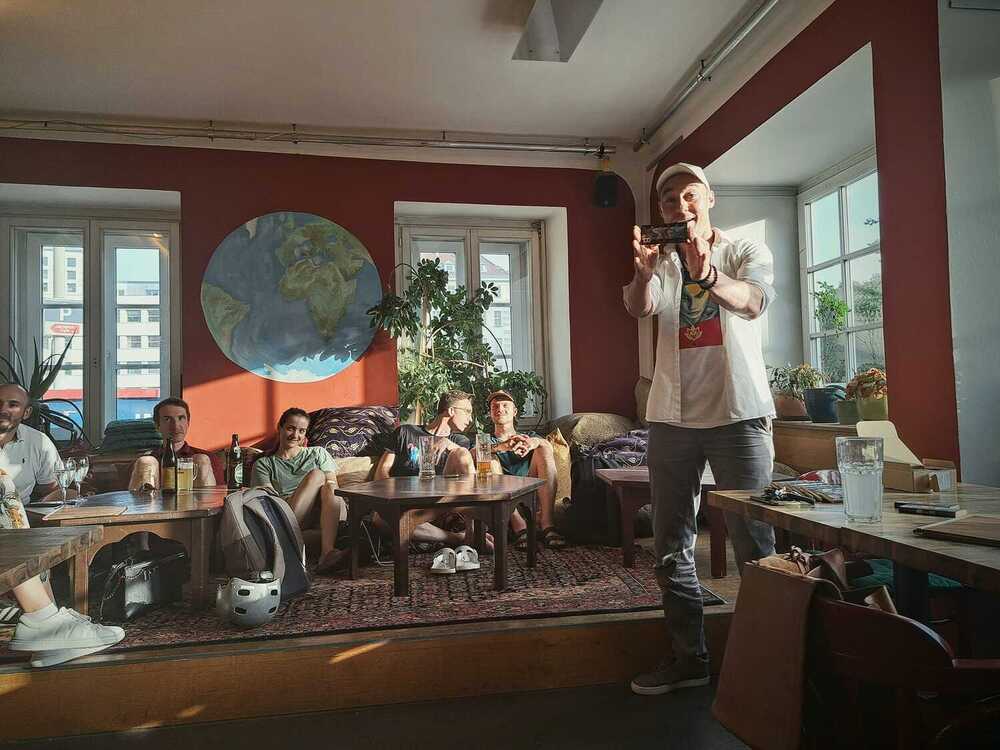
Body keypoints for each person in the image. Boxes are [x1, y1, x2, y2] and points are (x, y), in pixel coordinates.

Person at [623, 163, 777, 695]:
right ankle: (690, 659)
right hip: (672, 417)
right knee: (670, 545)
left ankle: (771, 668)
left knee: (756, 545)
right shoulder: (663, 262)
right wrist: (644, 274)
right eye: (669, 199)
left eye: (689, 195)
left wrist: (707, 273)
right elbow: (638, 307)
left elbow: (753, 302)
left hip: (740, 417)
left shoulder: (745, 250)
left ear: (709, 198)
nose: (680, 205)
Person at [0, 383, 125, 667]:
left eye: (12, 404)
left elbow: (52, 489)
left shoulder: (36, 441)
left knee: (18, 518)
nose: (3, 410)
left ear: (26, 412)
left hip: (18, 521)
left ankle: (48, 630)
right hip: (11, 519)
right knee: (5, 489)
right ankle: (43, 619)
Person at [373, 390, 485, 550]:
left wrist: (450, 445)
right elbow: (383, 469)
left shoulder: (460, 441)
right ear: (451, 411)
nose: (470, 419)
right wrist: (391, 496)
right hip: (406, 502)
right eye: (467, 411)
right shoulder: (405, 432)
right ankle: (457, 538)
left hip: (439, 505)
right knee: (380, 519)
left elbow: (468, 462)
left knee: (462, 453)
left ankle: (474, 530)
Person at [250, 408, 346, 574]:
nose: (295, 435)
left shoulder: (317, 453)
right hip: (289, 518)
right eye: (290, 428)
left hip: (324, 517)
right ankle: (326, 551)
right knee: (317, 474)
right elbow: (270, 500)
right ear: (279, 428)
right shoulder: (264, 464)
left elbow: (333, 486)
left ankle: (327, 551)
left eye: (301, 431)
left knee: (330, 486)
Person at [486, 390, 565, 550]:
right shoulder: (485, 440)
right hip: (501, 495)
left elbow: (547, 446)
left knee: (543, 448)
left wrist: (532, 443)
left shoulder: (528, 436)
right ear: (490, 413)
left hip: (529, 489)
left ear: (515, 411)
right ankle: (518, 525)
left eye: (505, 405)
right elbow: (472, 453)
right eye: (495, 406)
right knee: (486, 455)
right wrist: (501, 446)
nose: (500, 409)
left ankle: (547, 523)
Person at [128, 397, 221, 491]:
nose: (175, 426)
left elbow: (222, 494)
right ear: (157, 425)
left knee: (202, 459)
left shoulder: (210, 458)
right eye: (167, 419)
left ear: (188, 423)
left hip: (197, 500)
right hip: (154, 500)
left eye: (181, 418)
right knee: (146, 462)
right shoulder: (144, 460)